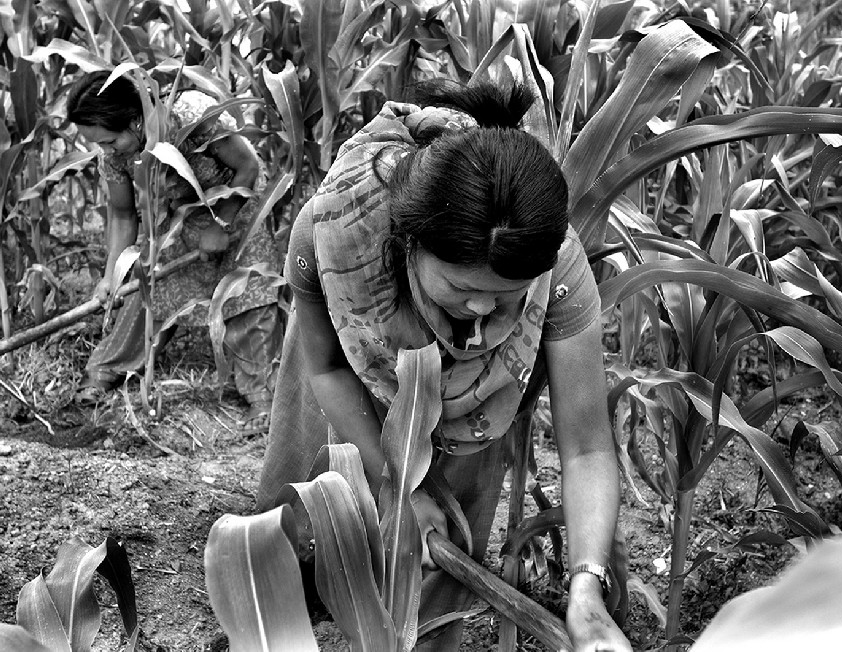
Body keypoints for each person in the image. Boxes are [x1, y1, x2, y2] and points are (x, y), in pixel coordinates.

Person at [256, 80, 631, 652]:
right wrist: (400, 483)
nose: (482, 311)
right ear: (410, 245)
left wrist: (587, 590)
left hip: (479, 413)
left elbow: (586, 448)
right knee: (315, 517)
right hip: (352, 362)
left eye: (506, 298)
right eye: (461, 288)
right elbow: (327, 369)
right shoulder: (334, 237)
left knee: (438, 558)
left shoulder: (559, 268)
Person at [66, 71, 281, 435]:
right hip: (180, 217)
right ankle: (113, 365)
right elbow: (121, 215)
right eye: (99, 144)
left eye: (109, 140)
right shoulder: (117, 155)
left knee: (245, 294)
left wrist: (221, 225)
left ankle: (262, 393)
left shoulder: (195, 116)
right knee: (150, 289)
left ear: (136, 121)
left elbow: (247, 167)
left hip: (236, 205)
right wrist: (111, 277)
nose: (106, 150)